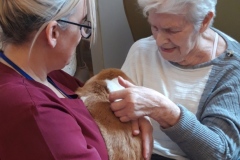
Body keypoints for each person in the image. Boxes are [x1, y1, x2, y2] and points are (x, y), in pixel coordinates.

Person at [0, 0, 152, 160]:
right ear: (53, 33)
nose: (81, 36)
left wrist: (138, 115)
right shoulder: (37, 114)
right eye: (82, 25)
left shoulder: (47, 74)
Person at [109, 0, 240, 159]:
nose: (159, 41)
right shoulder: (141, 50)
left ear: (204, 21)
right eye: (155, 27)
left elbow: (222, 154)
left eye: (171, 30)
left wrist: (164, 111)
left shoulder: (230, 69)